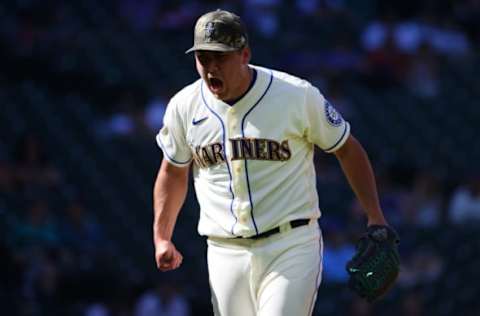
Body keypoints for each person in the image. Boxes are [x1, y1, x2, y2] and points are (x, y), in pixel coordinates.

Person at [153, 9, 392, 316]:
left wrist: (375, 215)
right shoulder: (184, 106)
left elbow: (347, 148)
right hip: (224, 250)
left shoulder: (295, 95)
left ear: (244, 55)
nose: (211, 66)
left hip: (290, 244)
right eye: (203, 57)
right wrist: (162, 237)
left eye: (220, 57)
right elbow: (172, 171)